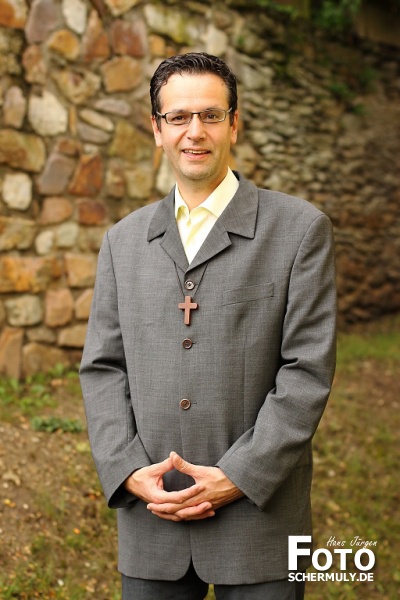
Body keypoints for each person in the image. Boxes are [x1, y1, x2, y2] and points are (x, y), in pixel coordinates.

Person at [80, 52, 336, 600]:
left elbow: (307, 372)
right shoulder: (122, 242)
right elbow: (103, 368)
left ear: (233, 124)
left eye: (211, 115)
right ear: (157, 129)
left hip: (263, 520)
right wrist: (128, 470)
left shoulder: (299, 230)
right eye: (178, 117)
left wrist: (239, 475)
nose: (194, 132)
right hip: (153, 515)